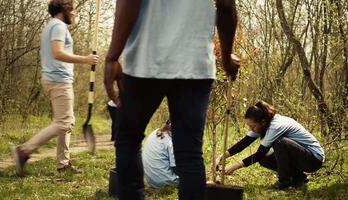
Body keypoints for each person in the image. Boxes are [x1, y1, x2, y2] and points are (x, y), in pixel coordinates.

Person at [104, 0, 240, 199]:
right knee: (189, 153)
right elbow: (226, 7)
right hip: (196, 65)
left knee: (128, 141)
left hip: (145, 60)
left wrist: (112, 57)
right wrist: (226, 58)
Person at [12, 0, 99, 177]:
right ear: (65, 10)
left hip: (55, 79)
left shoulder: (51, 26)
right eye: (73, 10)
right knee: (64, 123)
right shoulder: (58, 26)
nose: (75, 14)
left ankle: (62, 164)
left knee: (65, 122)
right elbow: (57, 52)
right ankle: (24, 150)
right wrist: (86, 59)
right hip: (59, 81)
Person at [216, 101, 325, 190]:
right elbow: (244, 143)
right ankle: (298, 177)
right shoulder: (263, 123)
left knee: (280, 143)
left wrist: (234, 167)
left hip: (313, 159)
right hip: (302, 156)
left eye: (252, 126)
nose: (251, 129)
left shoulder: (275, 126)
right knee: (264, 159)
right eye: (249, 126)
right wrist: (221, 157)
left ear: (262, 122)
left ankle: (284, 182)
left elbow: (259, 153)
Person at [142, 120, 179, 188]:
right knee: (191, 177)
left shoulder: (155, 132)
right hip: (164, 182)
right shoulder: (171, 141)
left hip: (151, 180)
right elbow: (176, 168)